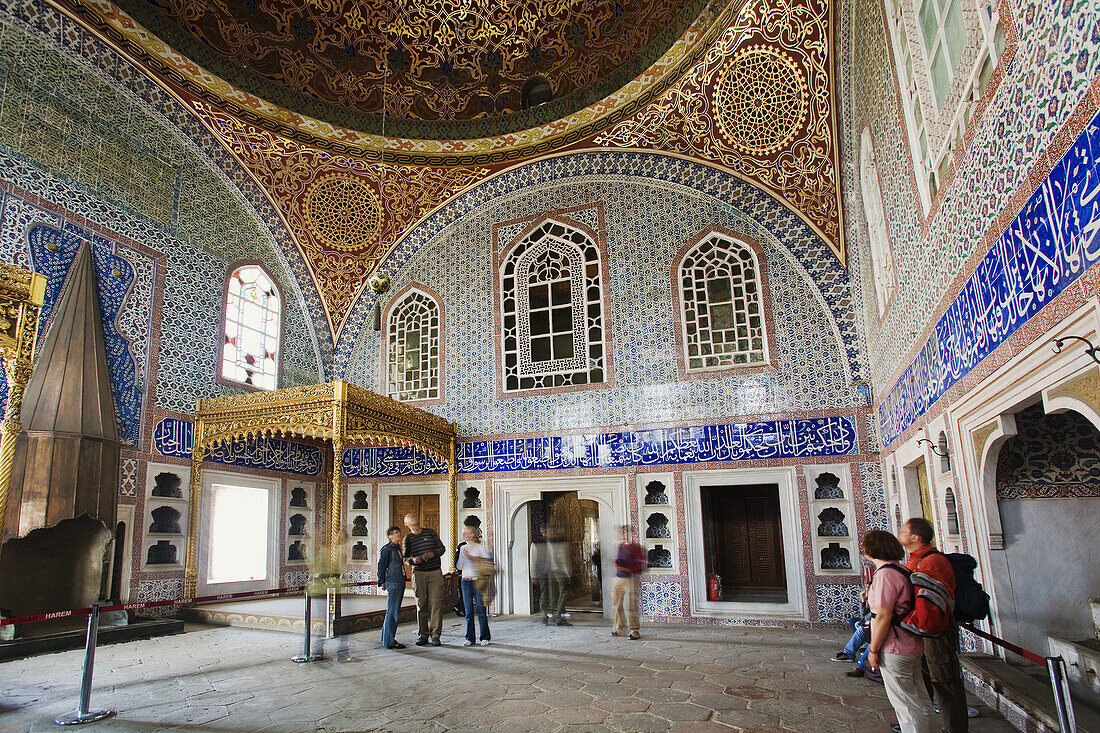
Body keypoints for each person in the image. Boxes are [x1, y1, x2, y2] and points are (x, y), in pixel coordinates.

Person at [899, 517, 973, 732]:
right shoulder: (916, 559)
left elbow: (934, 600)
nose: (900, 533)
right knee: (923, 676)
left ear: (916, 537)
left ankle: (954, 728)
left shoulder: (932, 561)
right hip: (921, 627)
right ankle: (923, 723)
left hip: (936, 628)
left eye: (904, 531)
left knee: (944, 679)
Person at [862, 529, 935, 733]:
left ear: (872, 550)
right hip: (910, 644)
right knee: (921, 701)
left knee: (906, 706)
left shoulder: (886, 574)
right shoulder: (901, 570)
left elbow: (884, 615)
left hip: (894, 646)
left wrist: (873, 650)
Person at [402, 513, 446, 646]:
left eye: (414, 517)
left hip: (434, 572)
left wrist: (434, 553)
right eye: (410, 518)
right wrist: (413, 560)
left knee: (436, 604)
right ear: (406, 524)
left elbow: (441, 548)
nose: (413, 519)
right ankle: (423, 634)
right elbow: (405, 558)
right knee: (421, 604)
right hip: (419, 573)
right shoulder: (408, 539)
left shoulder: (430, 533)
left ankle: (435, 635)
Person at [455, 526, 492, 646]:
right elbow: (460, 566)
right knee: (468, 610)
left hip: (478, 581)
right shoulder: (462, 548)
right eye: (464, 533)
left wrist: (471, 558)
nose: (465, 535)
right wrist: (461, 557)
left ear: (473, 535)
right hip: (465, 580)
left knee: (481, 609)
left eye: (468, 533)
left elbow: (487, 562)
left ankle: (485, 637)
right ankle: (469, 637)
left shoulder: (480, 548)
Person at [610, 525, 645, 640]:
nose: (623, 534)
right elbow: (619, 560)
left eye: (625, 532)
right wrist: (616, 564)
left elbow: (640, 565)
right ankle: (619, 628)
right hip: (619, 578)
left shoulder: (636, 548)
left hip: (631, 578)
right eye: (622, 532)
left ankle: (634, 630)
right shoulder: (620, 547)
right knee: (616, 603)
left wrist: (627, 569)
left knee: (632, 605)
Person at [376, 525, 407, 650]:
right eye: (395, 533)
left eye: (399, 532)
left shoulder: (397, 548)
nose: (398, 534)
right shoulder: (387, 550)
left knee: (393, 610)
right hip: (393, 582)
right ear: (390, 536)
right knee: (392, 611)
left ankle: (386, 638)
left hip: (399, 581)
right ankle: (389, 641)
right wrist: (381, 581)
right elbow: (381, 566)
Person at [543, 526, 572, 626]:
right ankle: (559, 617)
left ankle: (558, 614)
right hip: (560, 572)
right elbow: (562, 560)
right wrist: (567, 574)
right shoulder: (559, 544)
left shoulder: (552, 543)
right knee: (563, 593)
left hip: (554, 571)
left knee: (558, 593)